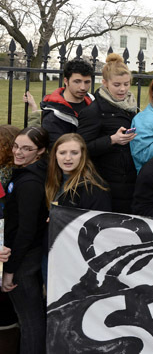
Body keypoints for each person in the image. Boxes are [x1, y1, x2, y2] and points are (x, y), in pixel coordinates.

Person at [1, 126, 49, 353]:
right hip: (28, 256)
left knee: (30, 321)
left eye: (26, 149)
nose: (18, 152)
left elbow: (26, 231)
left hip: (23, 261)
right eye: (16, 146)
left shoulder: (29, 182)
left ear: (40, 151)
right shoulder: (29, 173)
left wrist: (9, 270)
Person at [77, 53, 137, 214]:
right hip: (106, 183)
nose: (123, 89)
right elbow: (81, 149)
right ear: (105, 83)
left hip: (131, 180)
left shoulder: (132, 107)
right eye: (117, 84)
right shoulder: (93, 112)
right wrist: (112, 140)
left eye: (126, 84)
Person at [45, 133, 111, 211]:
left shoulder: (94, 189)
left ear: (82, 155)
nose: (68, 158)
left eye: (74, 153)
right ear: (55, 155)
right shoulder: (51, 180)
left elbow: (99, 222)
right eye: (62, 153)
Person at [41, 58, 94, 147]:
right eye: (77, 82)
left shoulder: (94, 102)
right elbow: (56, 150)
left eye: (87, 82)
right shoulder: (53, 115)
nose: (83, 87)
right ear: (66, 81)